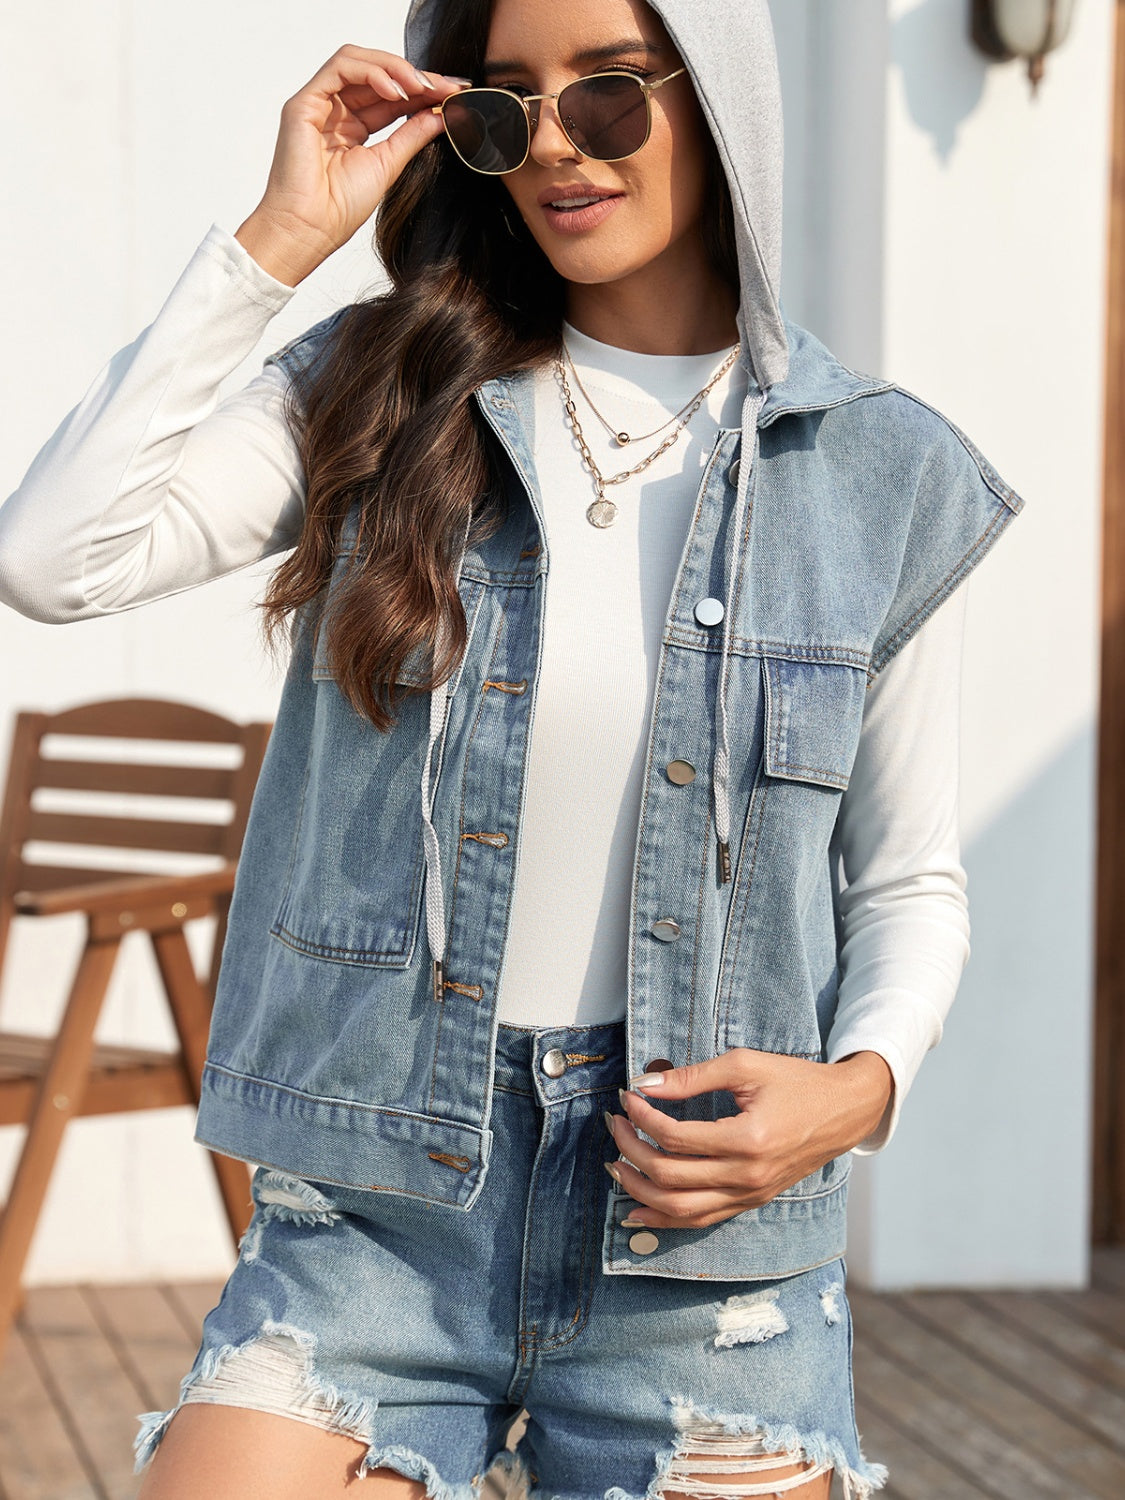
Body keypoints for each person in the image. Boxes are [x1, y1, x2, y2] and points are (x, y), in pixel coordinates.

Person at [0, 0, 1022, 1496]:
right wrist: (279, 235)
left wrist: (857, 1090)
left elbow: (909, 881)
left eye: (606, 96)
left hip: (700, 1258)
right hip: (374, 1218)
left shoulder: (877, 472)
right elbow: (53, 558)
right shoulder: (377, 387)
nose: (551, 146)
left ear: (720, 101)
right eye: (501, 108)